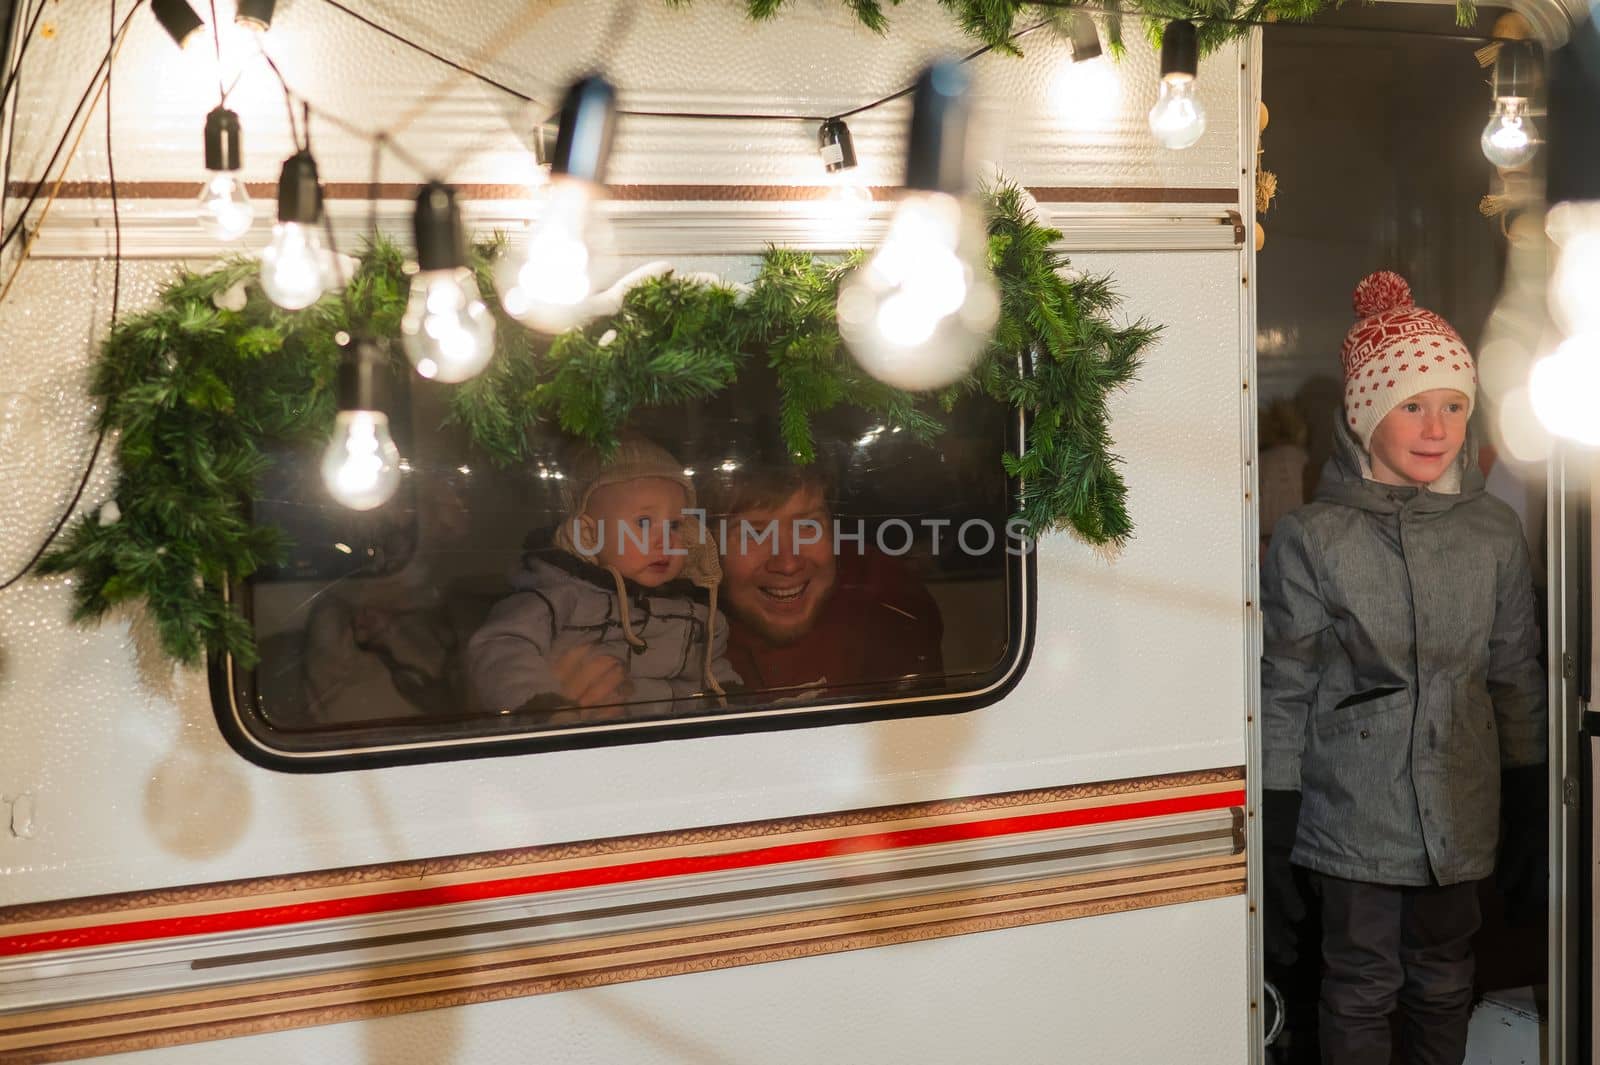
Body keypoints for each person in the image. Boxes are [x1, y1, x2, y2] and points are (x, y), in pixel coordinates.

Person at [1260, 271, 1547, 1065]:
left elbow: (1516, 671)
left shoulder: (1491, 531)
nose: (1437, 427)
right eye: (1413, 404)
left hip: (1461, 805)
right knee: (1358, 986)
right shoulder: (1316, 537)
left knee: (1448, 977)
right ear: (1364, 413)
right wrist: (1277, 810)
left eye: (1454, 404)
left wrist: (1528, 790)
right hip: (1354, 813)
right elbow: (1285, 686)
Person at [466, 435, 740, 723]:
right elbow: (501, 648)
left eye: (674, 526)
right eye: (644, 523)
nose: (666, 542)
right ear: (587, 534)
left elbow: (712, 669)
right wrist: (542, 705)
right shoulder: (558, 598)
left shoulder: (693, 614)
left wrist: (735, 704)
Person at [710, 461, 944, 696]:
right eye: (755, 533)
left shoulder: (889, 608)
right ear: (708, 547)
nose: (788, 564)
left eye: (808, 526)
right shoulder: (682, 634)